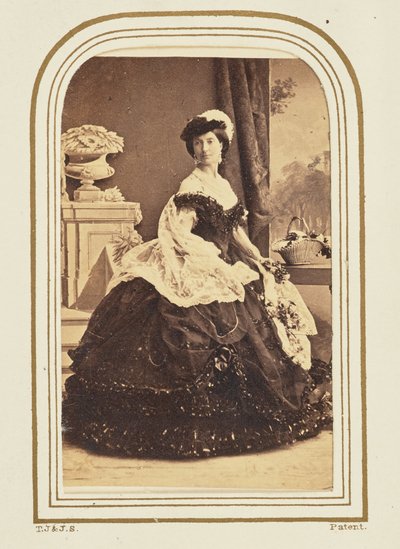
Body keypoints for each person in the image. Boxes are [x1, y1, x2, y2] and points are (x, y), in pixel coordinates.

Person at [63, 109, 331, 459]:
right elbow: (181, 233)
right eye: (198, 143)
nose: (204, 149)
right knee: (188, 326)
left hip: (224, 259)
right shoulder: (190, 187)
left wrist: (257, 257)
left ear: (222, 147)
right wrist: (213, 261)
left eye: (210, 142)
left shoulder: (224, 186)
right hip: (196, 260)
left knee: (255, 320)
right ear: (192, 149)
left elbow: (235, 231)